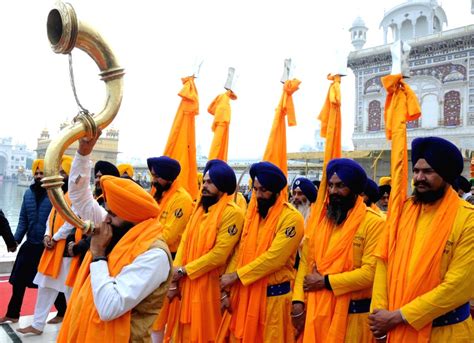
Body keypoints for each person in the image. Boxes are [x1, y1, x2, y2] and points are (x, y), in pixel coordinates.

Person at [369, 137, 474, 342]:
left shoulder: (467, 219)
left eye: (428, 172)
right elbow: (384, 261)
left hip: (446, 333)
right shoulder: (403, 211)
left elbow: (458, 286)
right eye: (416, 171)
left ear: (446, 175)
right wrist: (380, 312)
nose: (418, 177)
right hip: (398, 331)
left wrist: (399, 316)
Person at [57, 175, 172, 342]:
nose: (106, 219)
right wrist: (83, 154)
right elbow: (79, 196)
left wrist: (98, 256)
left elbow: (109, 307)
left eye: (112, 214)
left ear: (131, 216)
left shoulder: (155, 255)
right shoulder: (121, 237)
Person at [292, 158, 385, 342]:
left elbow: (370, 274)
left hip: (353, 319)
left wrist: (326, 282)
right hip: (317, 314)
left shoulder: (374, 223)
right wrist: (297, 300)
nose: (334, 191)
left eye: (341, 186)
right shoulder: (322, 220)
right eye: (331, 186)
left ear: (355, 189)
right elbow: (306, 262)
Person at [158, 159, 244, 342]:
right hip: (187, 284)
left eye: (210, 182)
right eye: (204, 181)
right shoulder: (199, 210)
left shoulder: (232, 213)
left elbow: (219, 255)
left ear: (222, 186)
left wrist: (184, 270)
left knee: (207, 335)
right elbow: (184, 242)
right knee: (183, 334)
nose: (204, 186)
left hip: (211, 288)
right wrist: (175, 273)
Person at [219, 161, 304, 343]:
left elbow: (274, 259)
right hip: (243, 298)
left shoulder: (291, 218)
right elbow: (240, 252)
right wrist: (226, 290)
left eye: (263, 190)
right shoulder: (253, 215)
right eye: (255, 189)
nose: (258, 195)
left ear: (275, 191)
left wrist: (235, 276)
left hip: (273, 302)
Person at [17, 156, 74, 335]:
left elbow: (72, 221)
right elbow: (52, 217)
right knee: (45, 286)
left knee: (70, 292)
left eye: (64, 173)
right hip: (53, 249)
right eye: (59, 173)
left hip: (68, 253)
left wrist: (55, 237)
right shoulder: (56, 193)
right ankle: (37, 325)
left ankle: (73, 327)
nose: (60, 176)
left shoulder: (76, 195)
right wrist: (48, 234)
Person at [0, 160, 53, 324]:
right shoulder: (28, 193)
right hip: (30, 244)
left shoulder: (55, 193)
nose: (38, 176)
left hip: (47, 246)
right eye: (36, 173)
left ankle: (63, 311)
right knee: (18, 280)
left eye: (42, 173)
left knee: (50, 284)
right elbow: (23, 220)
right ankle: (13, 314)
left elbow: (57, 220)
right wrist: (15, 240)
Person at [147, 156, 193, 258]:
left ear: (168, 177)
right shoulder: (159, 193)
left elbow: (169, 236)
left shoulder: (182, 199)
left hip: (167, 254)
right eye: (153, 176)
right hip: (152, 247)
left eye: (157, 177)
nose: (153, 181)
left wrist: (142, 241)